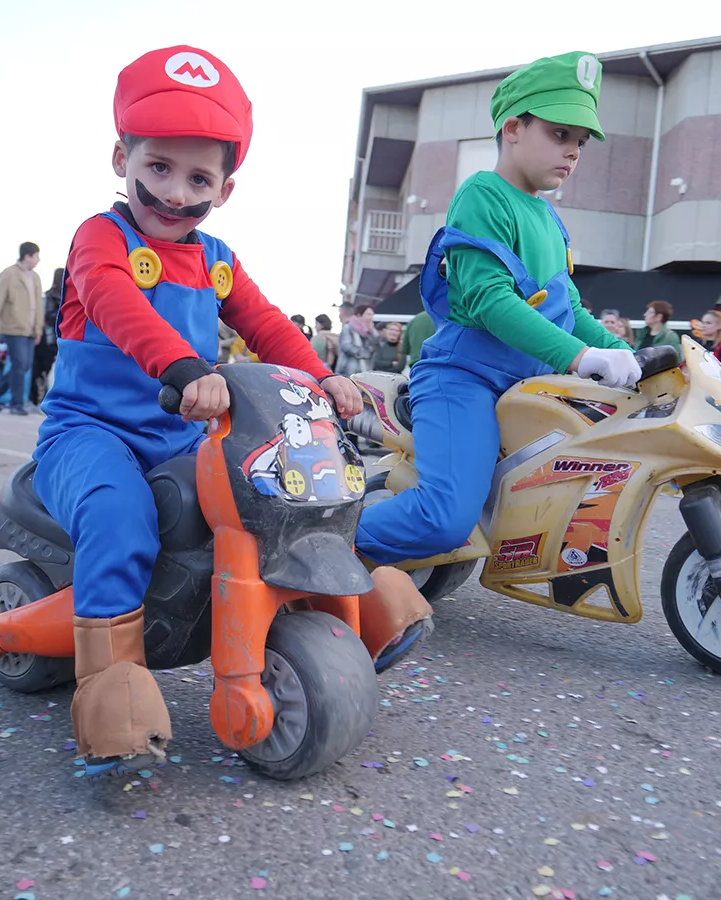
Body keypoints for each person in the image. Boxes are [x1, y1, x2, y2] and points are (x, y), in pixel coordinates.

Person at [31, 45, 427, 774]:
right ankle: (112, 686)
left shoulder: (216, 256)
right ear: (121, 156)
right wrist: (185, 368)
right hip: (91, 434)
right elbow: (118, 307)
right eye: (158, 168)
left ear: (226, 187)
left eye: (198, 177)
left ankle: (352, 606)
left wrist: (324, 379)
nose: (176, 194)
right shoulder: (101, 237)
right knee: (120, 516)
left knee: (286, 487)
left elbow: (267, 324)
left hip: (185, 431)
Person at [356, 50, 638, 564]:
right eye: (559, 133)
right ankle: (303, 541)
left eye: (579, 141)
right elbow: (489, 300)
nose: (573, 150)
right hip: (462, 380)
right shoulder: (483, 194)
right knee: (442, 517)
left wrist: (627, 353)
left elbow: (569, 310)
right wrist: (579, 357)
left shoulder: (550, 220)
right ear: (512, 128)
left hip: (522, 389)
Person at [0, 242, 44, 416]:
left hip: (30, 329)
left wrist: (38, 329)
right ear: (28, 256)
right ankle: (16, 404)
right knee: (19, 365)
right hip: (13, 327)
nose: (38, 260)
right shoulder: (9, 274)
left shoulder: (36, 278)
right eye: (37, 256)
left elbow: (38, 304)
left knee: (24, 366)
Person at [31, 268, 63, 405]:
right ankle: (45, 399)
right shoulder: (54, 297)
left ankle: (44, 399)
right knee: (49, 370)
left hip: (49, 338)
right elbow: (49, 317)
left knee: (46, 372)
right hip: (51, 339)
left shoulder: (49, 296)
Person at [336, 303, 378, 375]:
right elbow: (347, 347)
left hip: (364, 371)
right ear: (359, 315)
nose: (371, 317)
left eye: (372, 315)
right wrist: (366, 353)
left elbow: (377, 346)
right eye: (368, 314)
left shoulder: (370, 330)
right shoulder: (348, 327)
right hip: (348, 371)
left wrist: (372, 332)